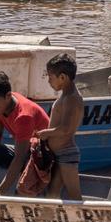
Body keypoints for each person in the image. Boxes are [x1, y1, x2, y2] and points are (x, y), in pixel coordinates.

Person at [0, 71, 49, 196]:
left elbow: (19, 157)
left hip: (42, 155)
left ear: (8, 95)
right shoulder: (1, 104)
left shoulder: (23, 116)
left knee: (19, 186)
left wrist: (1, 191)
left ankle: (7, 195)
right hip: (25, 149)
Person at [41, 54, 84, 201]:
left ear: (63, 77)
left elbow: (66, 129)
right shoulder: (65, 96)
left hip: (67, 154)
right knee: (52, 194)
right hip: (59, 154)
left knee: (75, 197)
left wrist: (44, 133)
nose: (48, 81)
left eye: (51, 77)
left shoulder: (72, 98)